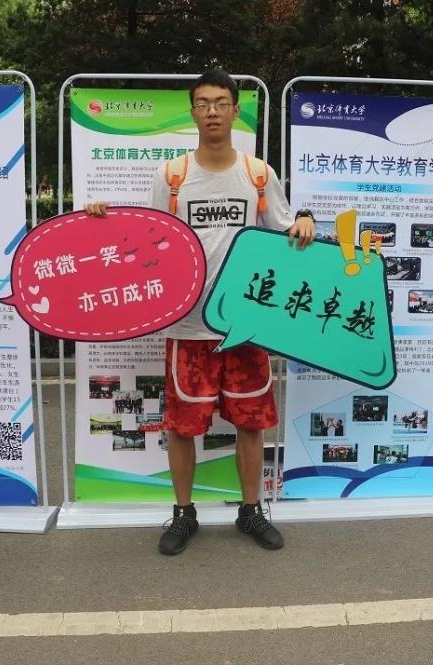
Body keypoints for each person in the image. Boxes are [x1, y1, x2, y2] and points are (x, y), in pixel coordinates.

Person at [85, 70, 315, 555]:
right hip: (188, 327)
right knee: (182, 426)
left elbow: (285, 228)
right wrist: (102, 221)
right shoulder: (171, 175)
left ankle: (250, 511)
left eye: (221, 102)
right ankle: (183, 513)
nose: (212, 111)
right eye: (204, 103)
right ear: (192, 112)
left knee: (250, 422)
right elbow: (145, 240)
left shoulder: (258, 173)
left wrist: (305, 220)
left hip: (245, 325)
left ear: (235, 110)